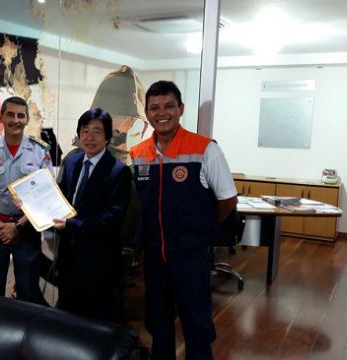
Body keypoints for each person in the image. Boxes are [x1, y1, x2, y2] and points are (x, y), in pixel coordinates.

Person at [130, 81, 238, 360]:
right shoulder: (138, 154)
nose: (161, 112)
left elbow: (227, 200)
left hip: (190, 255)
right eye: (154, 107)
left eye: (168, 106)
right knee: (158, 322)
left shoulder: (204, 149)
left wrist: (202, 230)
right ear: (147, 112)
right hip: (155, 255)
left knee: (196, 324)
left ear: (180, 109)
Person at [0, 96, 51, 305]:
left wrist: (18, 225)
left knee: (28, 290)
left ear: (26, 120)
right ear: (1, 117)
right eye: (10, 114)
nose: (15, 120)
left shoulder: (40, 151)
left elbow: (46, 196)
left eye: (21, 116)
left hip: (27, 228)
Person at [53, 108, 131, 322]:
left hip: (99, 260)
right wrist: (30, 204)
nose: (89, 137)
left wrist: (71, 225)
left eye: (97, 131)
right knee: (67, 313)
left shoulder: (118, 171)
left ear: (107, 138)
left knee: (96, 319)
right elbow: (58, 197)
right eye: (85, 130)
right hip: (68, 255)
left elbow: (112, 217)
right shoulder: (71, 162)